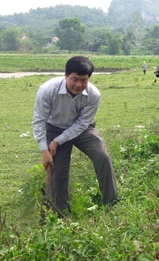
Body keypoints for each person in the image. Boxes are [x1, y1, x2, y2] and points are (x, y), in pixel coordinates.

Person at [32, 56, 118, 215]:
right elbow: (39, 121)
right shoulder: (47, 90)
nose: (79, 85)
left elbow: (82, 123)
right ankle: (60, 215)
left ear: (89, 79)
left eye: (84, 80)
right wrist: (45, 150)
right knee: (58, 174)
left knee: (102, 157)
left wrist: (58, 141)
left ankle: (112, 205)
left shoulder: (94, 95)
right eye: (74, 79)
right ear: (66, 75)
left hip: (82, 128)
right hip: (54, 127)